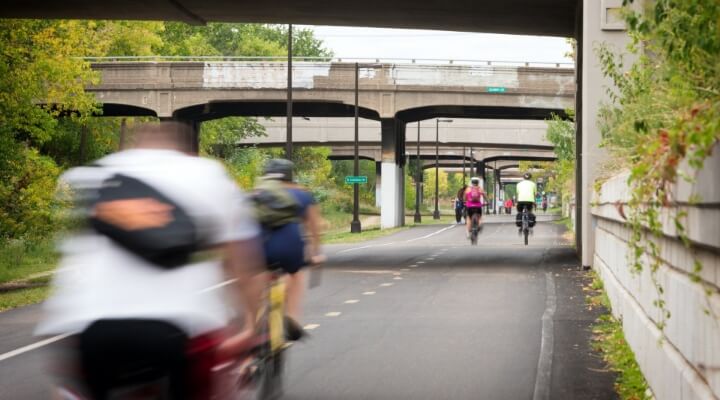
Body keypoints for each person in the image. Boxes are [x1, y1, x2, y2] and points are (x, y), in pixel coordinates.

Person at [36, 122, 267, 399]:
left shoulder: (90, 175)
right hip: (183, 326)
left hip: (92, 327)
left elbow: (70, 258)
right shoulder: (208, 175)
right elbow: (242, 264)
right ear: (187, 150)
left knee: (71, 388)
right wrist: (251, 326)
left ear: (131, 146)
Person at [256, 159, 325, 341]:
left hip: (258, 244)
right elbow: (314, 226)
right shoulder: (302, 195)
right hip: (289, 244)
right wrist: (316, 252)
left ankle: (252, 322)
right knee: (296, 274)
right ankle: (292, 318)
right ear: (290, 176)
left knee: (257, 277)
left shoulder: (257, 193)